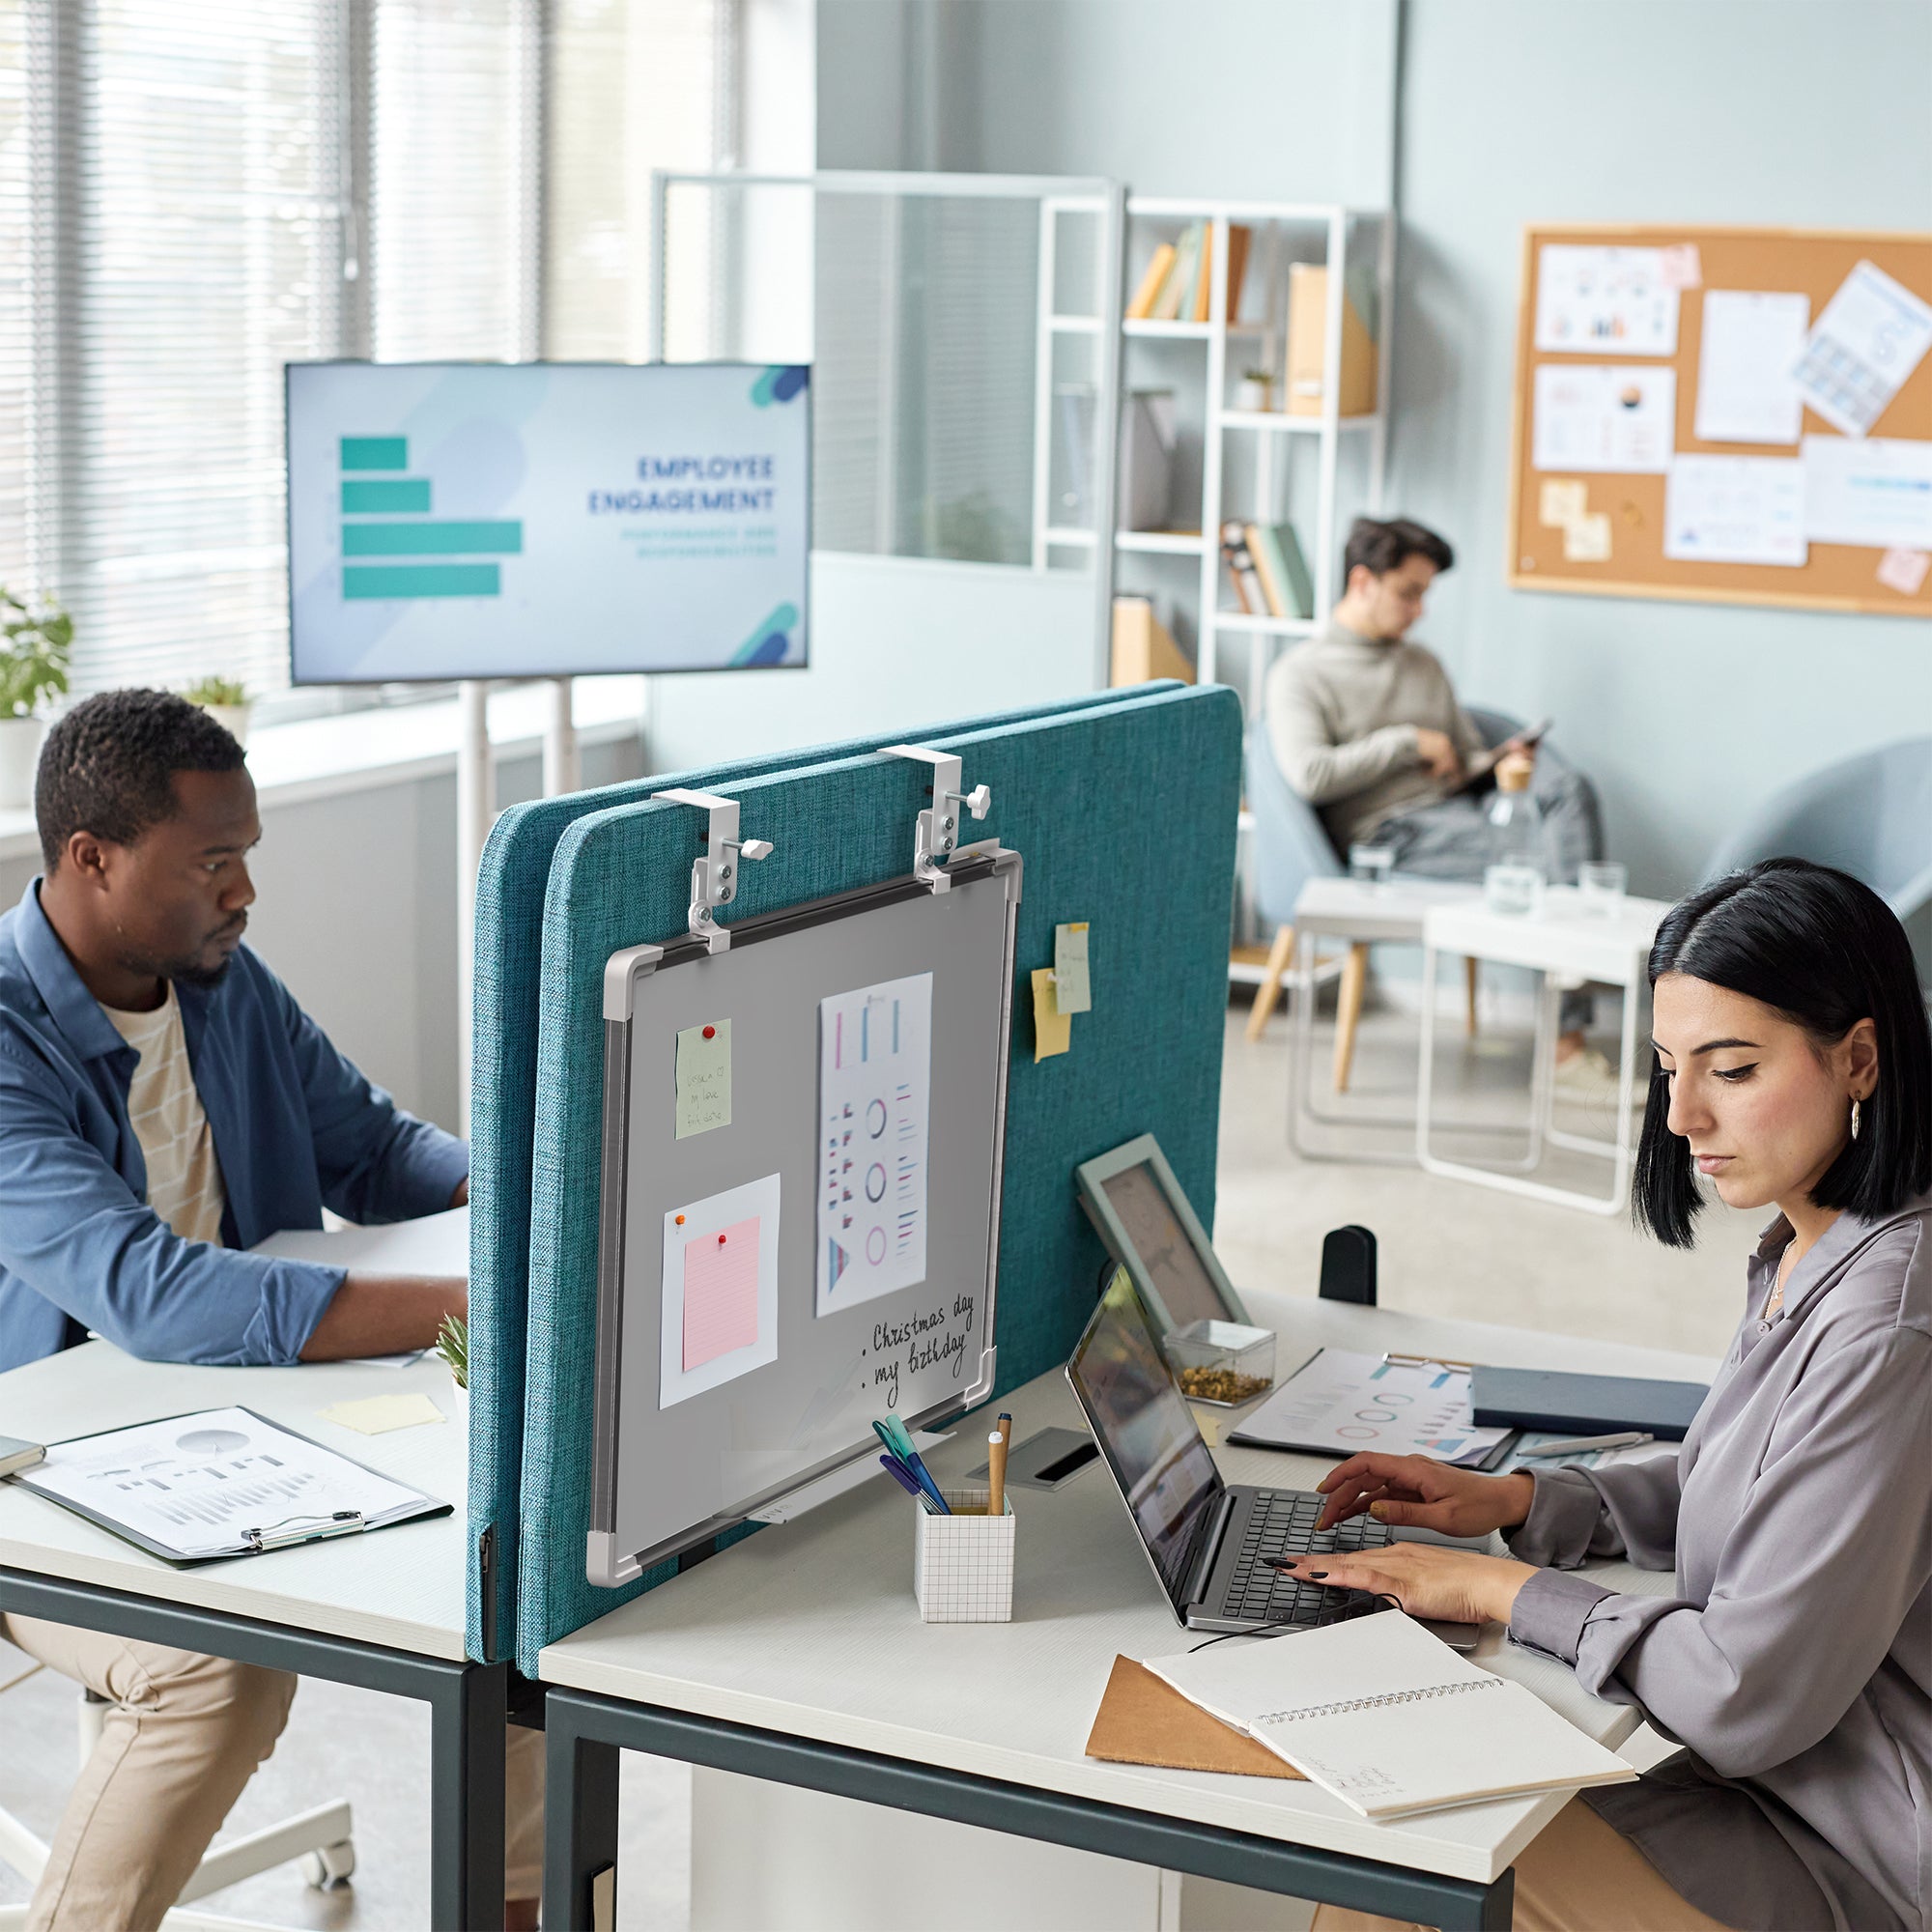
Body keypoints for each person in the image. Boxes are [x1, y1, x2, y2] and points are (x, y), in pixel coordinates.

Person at [1274, 858, 1931, 1932]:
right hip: (1769, 1799)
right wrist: (1523, 1502)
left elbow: (1737, 1692)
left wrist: (1494, 1592)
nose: (1678, 1114)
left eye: (1728, 1068)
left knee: (1408, 1859)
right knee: (1403, 1831)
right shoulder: (1812, 1249)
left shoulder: (1887, 1325)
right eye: (1667, 1066)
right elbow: (1759, 1475)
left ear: (1856, 1057)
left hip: (1852, 1853)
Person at [0, 691, 541, 1931]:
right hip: (33, 1470)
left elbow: (376, 1146)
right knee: (214, 1670)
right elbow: (148, 1291)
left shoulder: (220, 981)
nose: (244, 891)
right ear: (93, 858)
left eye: (247, 855)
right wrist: (478, 1302)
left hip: (227, 1426)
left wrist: (541, 1206)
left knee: (509, 1576)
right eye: (213, 860)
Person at [1264, 515, 1614, 1092]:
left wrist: (1494, 764)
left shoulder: (1422, 663)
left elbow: (1464, 756)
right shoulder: (1299, 674)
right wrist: (1406, 741)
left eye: (1425, 594)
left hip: (1458, 816)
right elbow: (1309, 775)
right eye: (1409, 592)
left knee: (1569, 793)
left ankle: (1566, 987)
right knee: (1537, 860)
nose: (1420, 609)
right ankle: (1567, 1036)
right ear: (1362, 582)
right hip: (1389, 835)